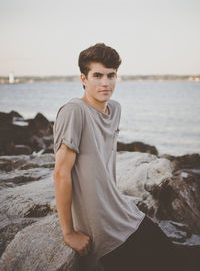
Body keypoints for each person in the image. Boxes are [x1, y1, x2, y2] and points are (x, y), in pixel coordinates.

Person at [53, 43, 186, 271]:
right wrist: (69, 232)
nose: (105, 82)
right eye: (97, 75)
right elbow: (61, 173)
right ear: (83, 79)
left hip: (125, 212)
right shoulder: (74, 111)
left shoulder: (114, 109)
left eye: (111, 75)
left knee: (173, 259)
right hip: (102, 229)